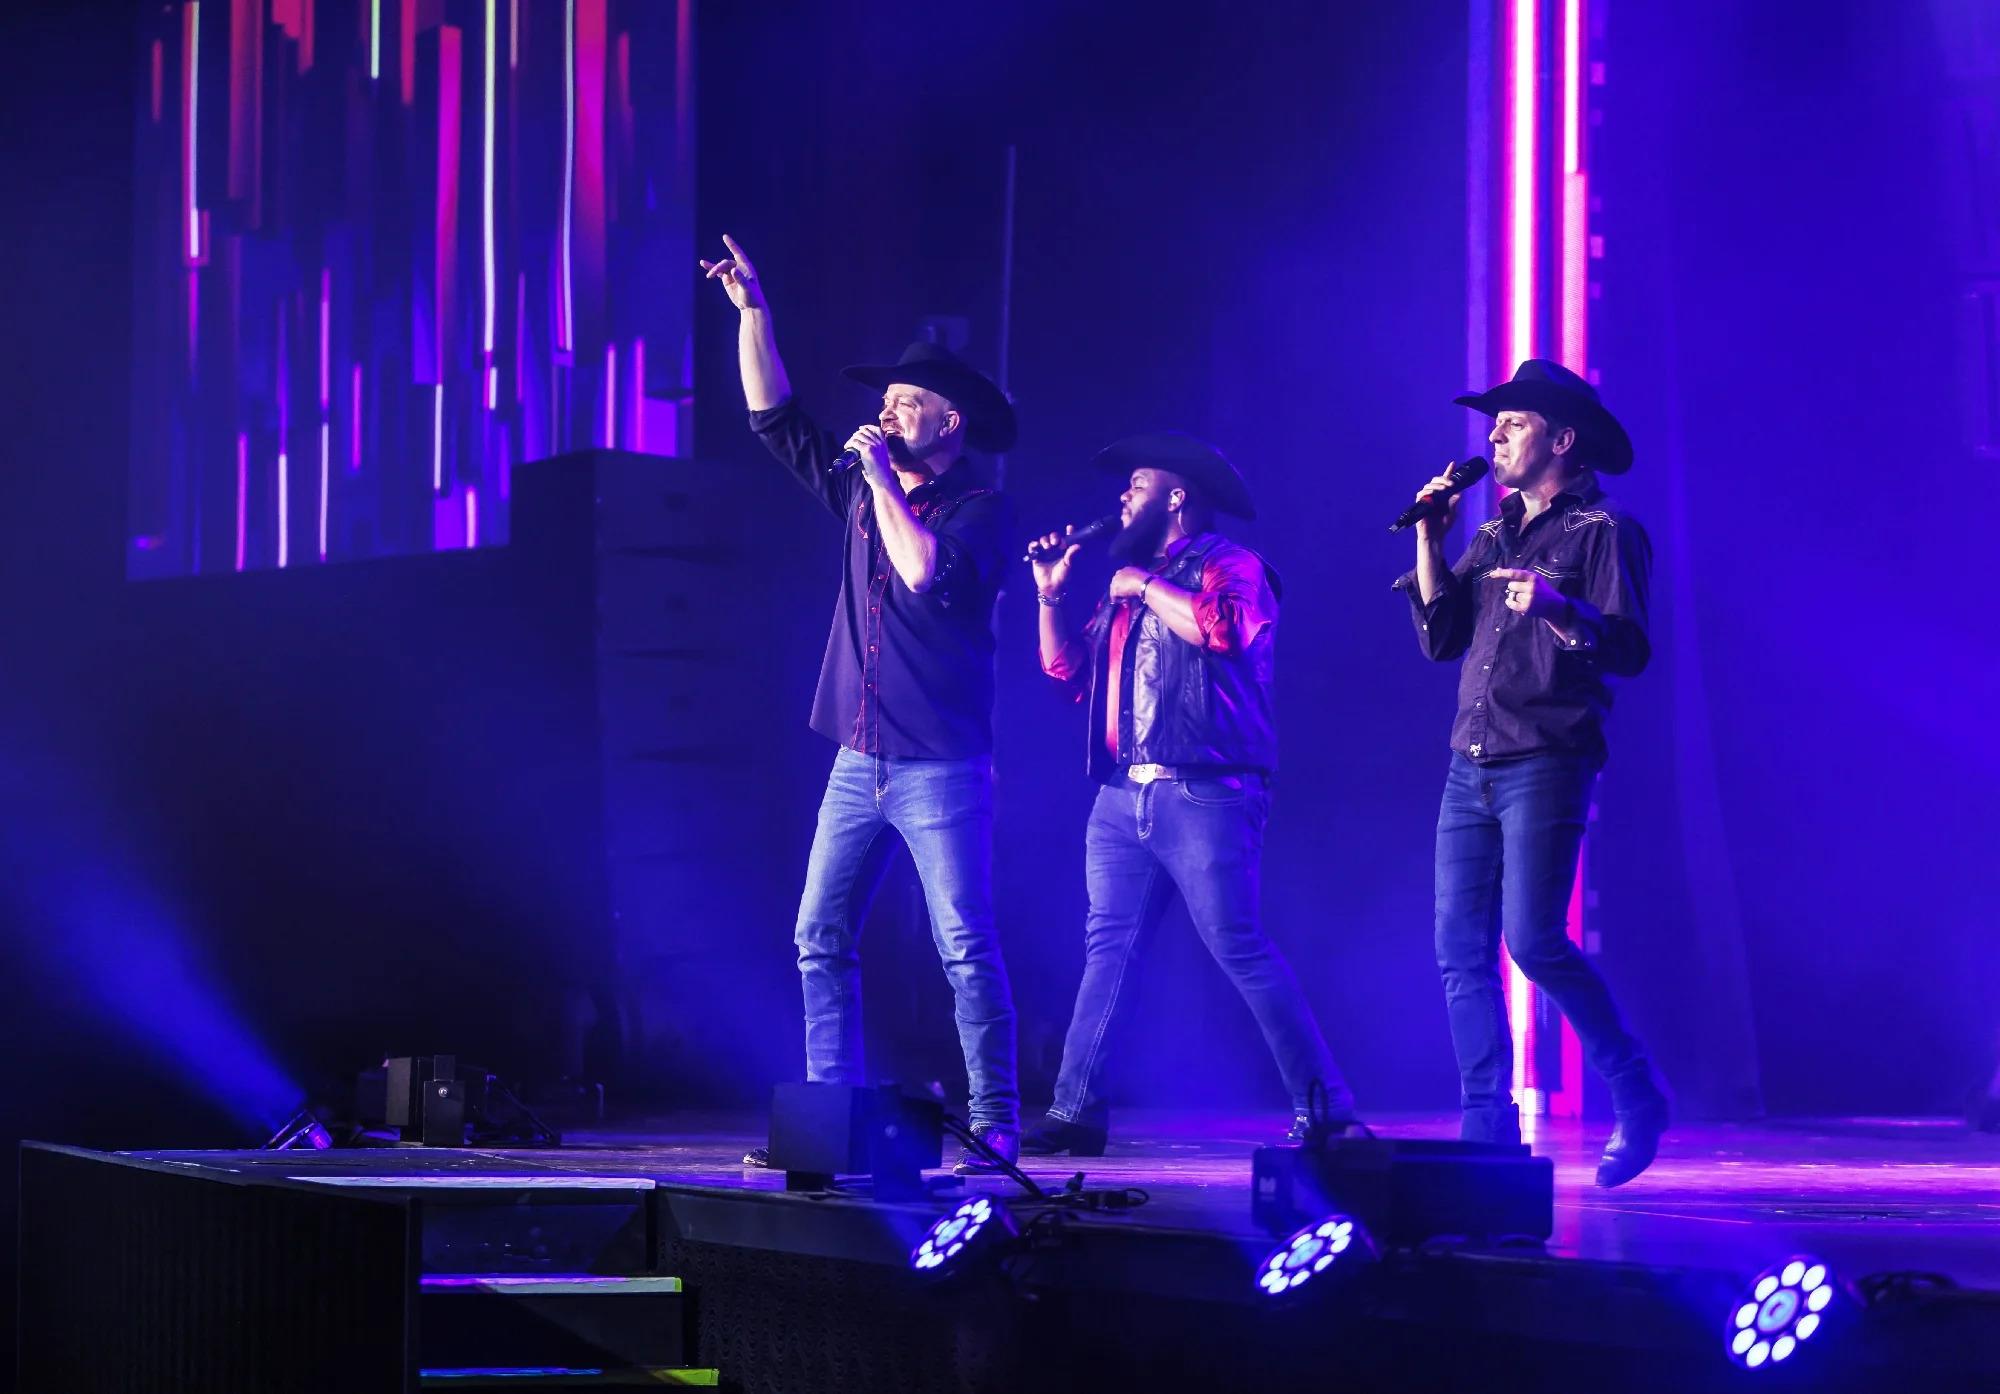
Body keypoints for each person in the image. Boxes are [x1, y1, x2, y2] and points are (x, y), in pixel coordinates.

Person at [699, 235, 1020, 1174]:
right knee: (817, 933)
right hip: (857, 754)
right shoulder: (856, 486)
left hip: (941, 765)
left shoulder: (979, 509)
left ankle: (995, 1119)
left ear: (948, 419)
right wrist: (755, 312)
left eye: (905, 401)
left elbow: (923, 575)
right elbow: (774, 417)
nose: (884, 410)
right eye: (884, 400)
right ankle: (827, 1122)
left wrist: (882, 480)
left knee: (963, 942)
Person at [1008, 433, 1362, 1162]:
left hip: (1205, 792)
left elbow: (1223, 630)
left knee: (1238, 945)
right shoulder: (1132, 581)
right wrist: (1049, 595)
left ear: (1176, 497)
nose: (1121, 498)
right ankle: (1075, 1111)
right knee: (1108, 951)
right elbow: (1067, 673)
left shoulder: (1232, 565)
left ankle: (1326, 1108)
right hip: (1119, 797)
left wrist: (1140, 588)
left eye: (1136, 485)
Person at [1395, 358, 1669, 1187]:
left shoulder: (1603, 533)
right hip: (1468, 760)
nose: (1495, 434)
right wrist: (1428, 538)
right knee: (1456, 948)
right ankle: (1488, 1132)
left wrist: (1561, 610)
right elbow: (1442, 639)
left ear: (1561, 438)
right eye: (1496, 423)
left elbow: (1629, 648)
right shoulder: (1491, 532)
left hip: (1546, 755)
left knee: (1535, 940)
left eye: (1513, 423)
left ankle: (1635, 1089)